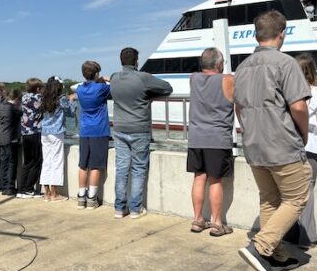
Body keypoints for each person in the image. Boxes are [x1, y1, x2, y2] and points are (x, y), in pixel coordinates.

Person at [235, 10, 312, 271]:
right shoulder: (286, 63)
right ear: (282, 34)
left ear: (257, 35)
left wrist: (251, 131)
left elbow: (239, 108)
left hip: (254, 145)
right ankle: (261, 246)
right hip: (281, 144)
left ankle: (275, 255)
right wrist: (302, 135)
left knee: (270, 200)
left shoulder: (242, 67)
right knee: (296, 198)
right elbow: (299, 106)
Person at [110, 47, 173, 219]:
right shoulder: (143, 77)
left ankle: (119, 208)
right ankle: (135, 209)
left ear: (121, 61)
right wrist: (148, 95)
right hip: (139, 129)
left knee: (122, 168)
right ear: (137, 61)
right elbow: (168, 88)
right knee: (138, 168)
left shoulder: (114, 78)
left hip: (120, 129)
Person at [187, 48, 234, 237]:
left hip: (196, 137)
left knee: (199, 178)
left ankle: (198, 219)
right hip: (218, 138)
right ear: (219, 64)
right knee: (215, 180)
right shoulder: (228, 79)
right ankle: (216, 223)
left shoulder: (193, 78)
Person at [285, 54, 317, 248]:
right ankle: (308, 237)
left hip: (288, 146)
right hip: (310, 147)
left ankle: (289, 234)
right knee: (307, 192)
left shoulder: (286, 91)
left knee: (289, 193)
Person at [76, 61, 111, 210]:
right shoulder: (101, 88)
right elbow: (113, 90)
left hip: (84, 130)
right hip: (99, 130)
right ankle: (92, 198)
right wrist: (108, 79)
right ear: (96, 74)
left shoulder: (79, 89)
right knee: (96, 165)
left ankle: (81, 197)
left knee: (83, 164)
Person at [40, 76, 77, 202]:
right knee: (56, 162)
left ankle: (46, 193)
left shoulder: (44, 98)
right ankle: (54, 194)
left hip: (44, 133)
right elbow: (71, 113)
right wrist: (72, 100)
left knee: (46, 161)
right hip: (56, 133)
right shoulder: (62, 99)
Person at [18, 78, 44, 199]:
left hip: (25, 133)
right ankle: (28, 188)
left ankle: (21, 188)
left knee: (27, 162)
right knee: (36, 161)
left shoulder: (23, 97)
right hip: (35, 132)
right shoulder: (39, 99)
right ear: (38, 89)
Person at [0, 89, 23, 197]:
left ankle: (3, 185)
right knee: (12, 163)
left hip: (2, 137)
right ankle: (10, 187)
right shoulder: (13, 109)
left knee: (4, 162)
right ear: (17, 98)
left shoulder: (2, 106)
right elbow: (21, 114)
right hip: (11, 138)